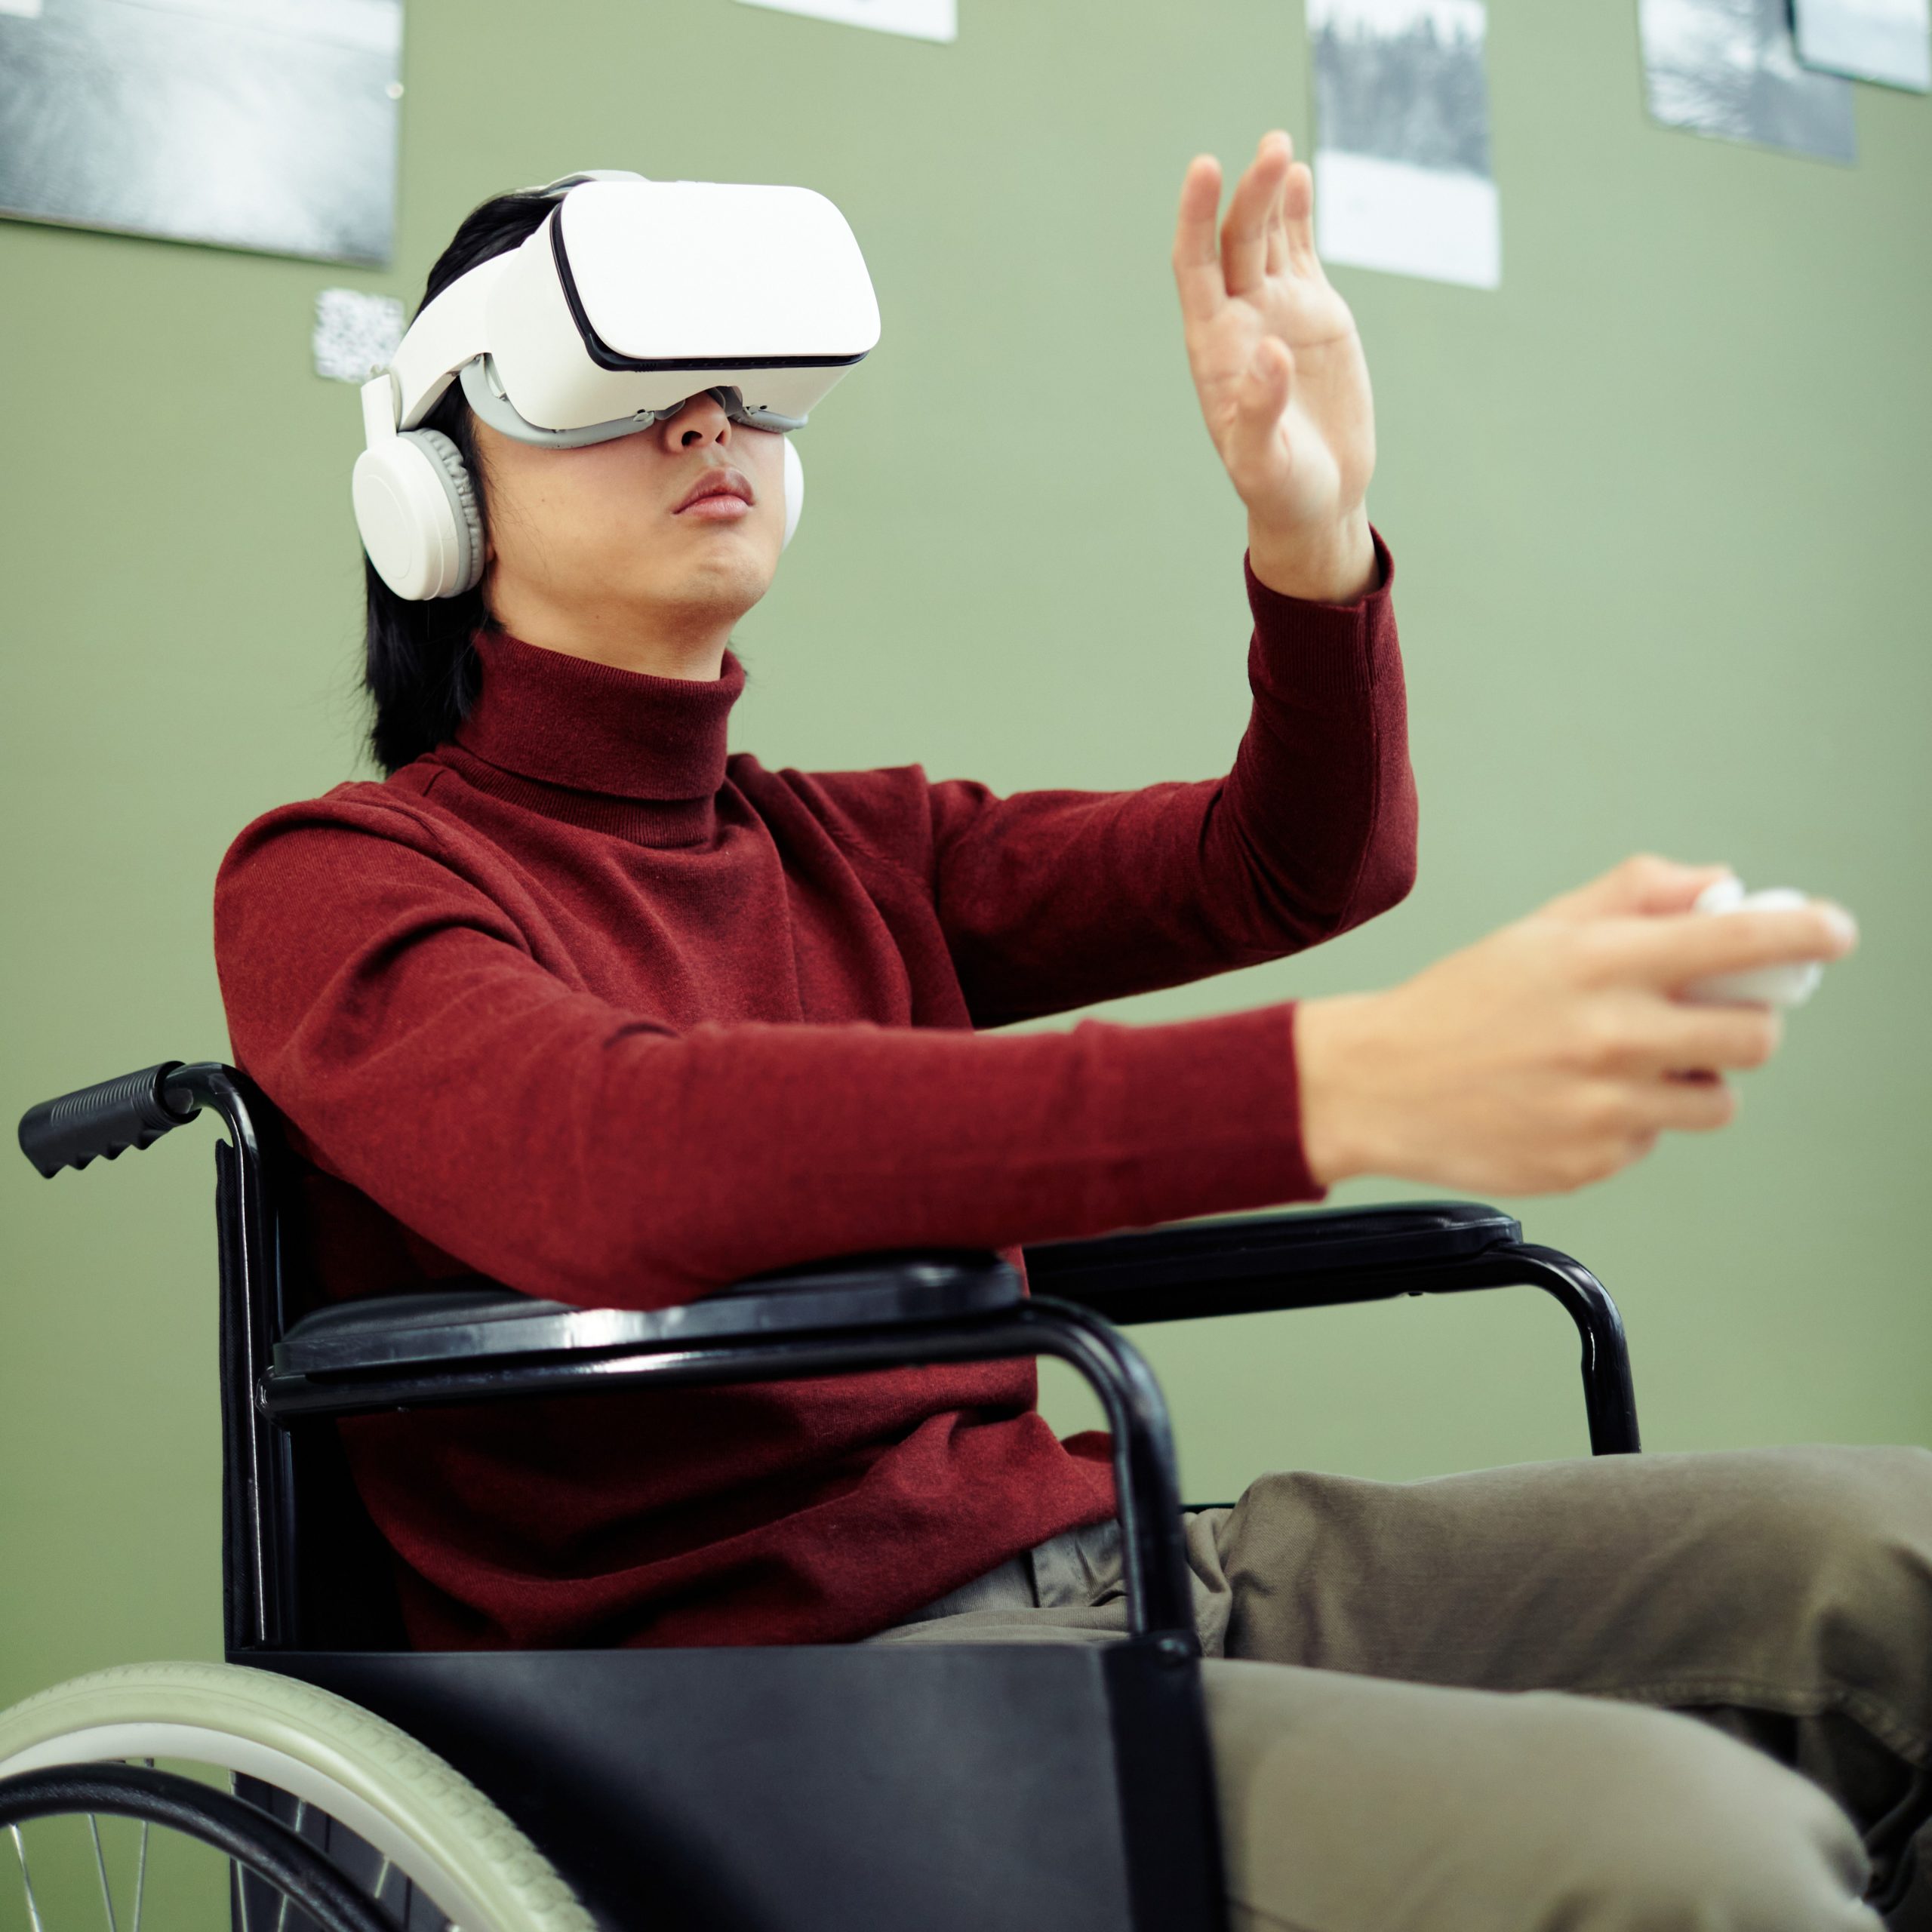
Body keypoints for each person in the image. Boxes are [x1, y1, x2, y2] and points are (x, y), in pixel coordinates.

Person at [214, 135, 1929, 1930]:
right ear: (430, 487)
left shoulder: (855, 847)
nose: (707, 425)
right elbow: (611, 1155)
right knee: (1685, 1856)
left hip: (1107, 1561)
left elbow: (1296, 858)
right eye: (606, 388)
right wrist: (1337, 1083)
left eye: (743, 392)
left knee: (1897, 1561)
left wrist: (1308, 532)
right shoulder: (340, 878)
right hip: (784, 1706)